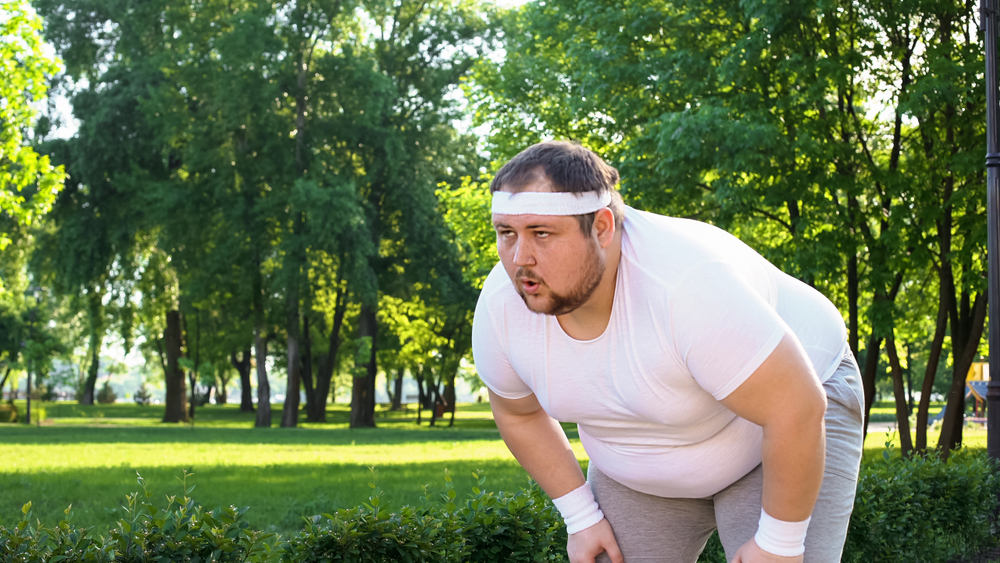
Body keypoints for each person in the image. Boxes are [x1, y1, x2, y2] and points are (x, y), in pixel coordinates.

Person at [471, 141, 864, 563]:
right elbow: (519, 412)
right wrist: (580, 515)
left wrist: (779, 544)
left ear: (602, 227)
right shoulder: (501, 307)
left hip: (779, 421)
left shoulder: (686, 286)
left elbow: (796, 408)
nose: (519, 258)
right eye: (506, 233)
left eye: (542, 234)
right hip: (640, 464)